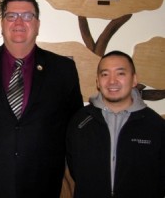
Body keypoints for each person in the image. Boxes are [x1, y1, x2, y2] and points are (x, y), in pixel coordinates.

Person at [0, 0, 84, 198]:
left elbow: (75, 127)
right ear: (2, 23)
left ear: (37, 24)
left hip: (44, 182)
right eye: (11, 16)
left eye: (27, 16)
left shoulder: (63, 69)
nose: (18, 21)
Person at [66, 50, 165, 198]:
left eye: (120, 73)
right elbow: (75, 169)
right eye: (105, 74)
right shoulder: (80, 122)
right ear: (98, 81)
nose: (112, 81)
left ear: (134, 79)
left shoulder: (156, 125)